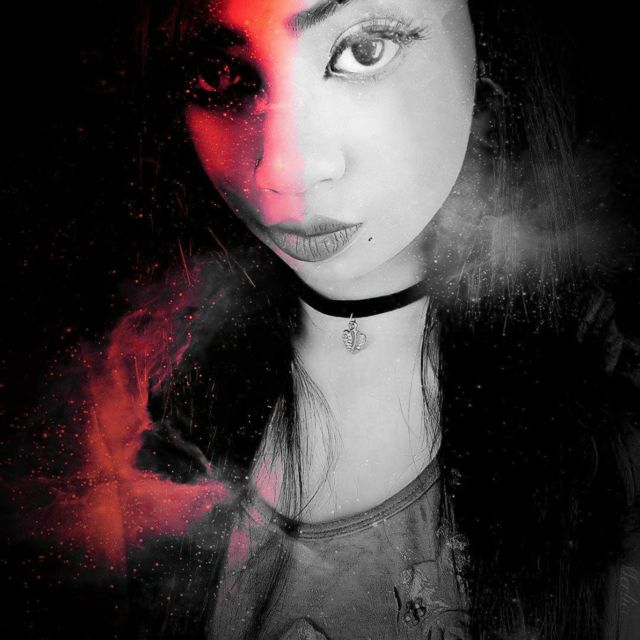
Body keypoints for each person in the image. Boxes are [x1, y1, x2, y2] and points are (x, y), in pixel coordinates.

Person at [11, 0, 638, 639]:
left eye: (364, 50)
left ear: (488, 49)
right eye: (220, 73)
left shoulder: (614, 426)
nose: (283, 171)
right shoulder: (126, 400)